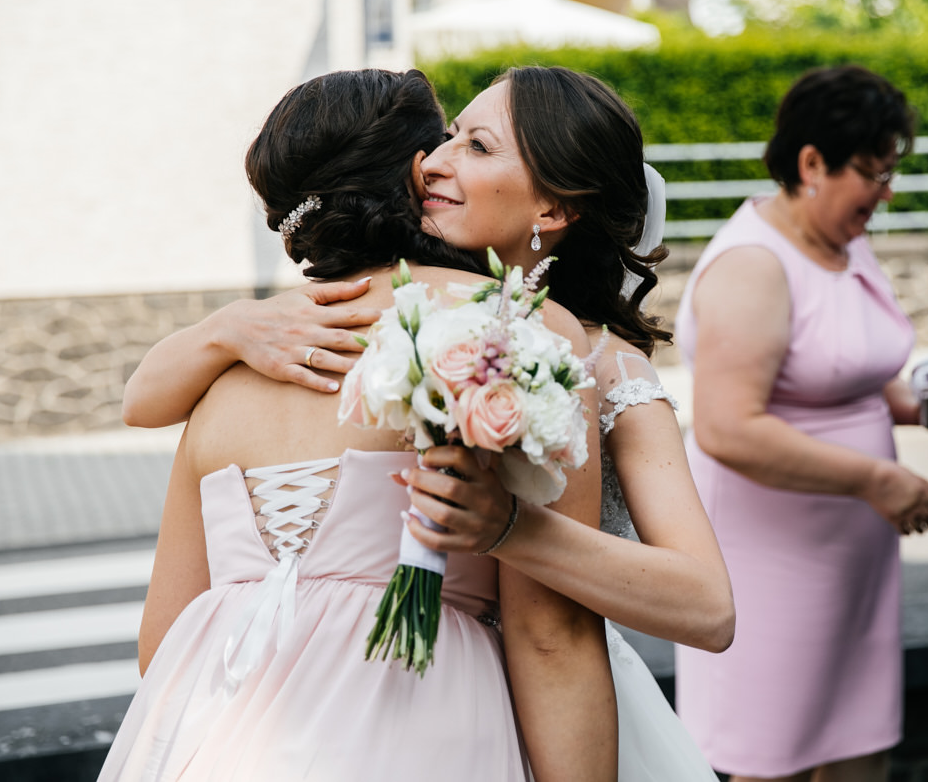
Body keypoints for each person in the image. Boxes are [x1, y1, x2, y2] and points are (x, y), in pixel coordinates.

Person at [121, 66, 733, 781]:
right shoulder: (511, 330)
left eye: (474, 145)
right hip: (439, 721)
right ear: (407, 178)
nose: (439, 163)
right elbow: (549, 640)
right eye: (444, 142)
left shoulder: (231, 375)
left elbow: (165, 647)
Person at [673, 65, 928, 782]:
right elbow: (727, 427)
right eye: (871, 173)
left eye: (891, 173)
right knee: (773, 758)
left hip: (854, 559)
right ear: (812, 161)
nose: (884, 194)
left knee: (860, 749)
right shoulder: (754, 265)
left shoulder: (845, 236)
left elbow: (855, 369)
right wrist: (876, 478)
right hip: (771, 562)